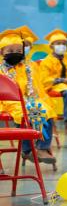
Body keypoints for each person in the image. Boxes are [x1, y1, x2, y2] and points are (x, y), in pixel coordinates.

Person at [0, 29, 57, 165]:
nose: (16, 53)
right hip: (9, 102)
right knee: (25, 112)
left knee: (44, 109)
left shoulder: (27, 67)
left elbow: (35, 87)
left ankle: (42, 147)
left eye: (19, 50)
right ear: (2, 52)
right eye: (11, 50)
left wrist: (39, 100)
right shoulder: (1, 69)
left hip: (29, 98)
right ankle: (27, 150)